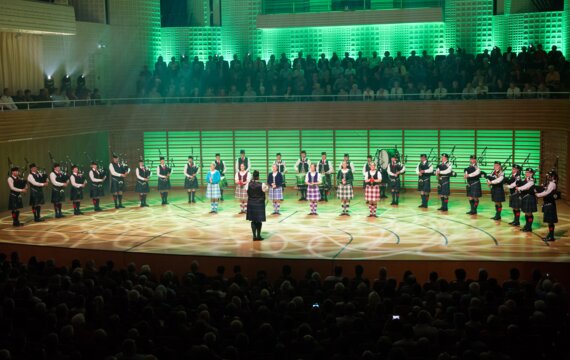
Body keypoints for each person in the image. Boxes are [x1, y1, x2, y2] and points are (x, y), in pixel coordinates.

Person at [535, 170, 559, 241]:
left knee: (550, 221)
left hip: (550, 204)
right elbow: (544, 190)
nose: (548, 177)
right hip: (548, 204)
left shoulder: (552, 184)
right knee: (549, 221)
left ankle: (551, 236)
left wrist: (538, 195)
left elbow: (547, 192)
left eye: (549, 176)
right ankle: (550, 235)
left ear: (553, 177)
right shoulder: (550, 183)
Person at [247, 170, 267, 240]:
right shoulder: (262, 185)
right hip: (259, 204)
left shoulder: (248, 184)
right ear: (258, 176)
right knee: (259, 221)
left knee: (253, 221)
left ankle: (254, 236)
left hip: (251, 204)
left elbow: (247, 191)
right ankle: (258, 236)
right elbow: (266, 189)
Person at [516, 168, 537, 232]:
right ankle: (527, 225)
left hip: (530, 197)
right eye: (526, 172)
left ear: (532, 174)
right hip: (525, 197)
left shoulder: (531, 180)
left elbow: (525, 187)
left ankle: (529, 227)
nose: (527, 173)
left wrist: (518, 188)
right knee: (526, 213)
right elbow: (524, 187)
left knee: (529, 213)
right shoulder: (525, 179)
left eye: (529, 172)